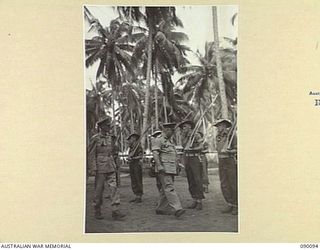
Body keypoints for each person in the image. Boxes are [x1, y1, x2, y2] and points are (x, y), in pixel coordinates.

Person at [88, 116, 126, 220]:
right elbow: (91, 154)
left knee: (114, 188)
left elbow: (114, 151)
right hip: (100, 168)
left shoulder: (111, 138)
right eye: (106, 125)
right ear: (101, 127)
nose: (109, 127)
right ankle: (97, 209)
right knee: (99, 190)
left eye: (109, 125)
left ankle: (115, 210)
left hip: (111, 166)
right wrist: (93, 168)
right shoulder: (95, 138)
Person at [152, 123, 185, 218]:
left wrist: (177, 165)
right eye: (172, 130)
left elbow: (172, 155)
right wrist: (159, 165)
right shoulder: (159, 140)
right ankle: (177, 208)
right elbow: (155, 153)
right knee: (169, 187)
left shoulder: (169, 141)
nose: (173, 133)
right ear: (166, 130)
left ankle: (160, 208)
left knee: (164, 189)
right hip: (164, 168)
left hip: (170, 168)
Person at [214, 118, 238, 215]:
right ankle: (229, 203)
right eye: (218, 126)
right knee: (223, 183)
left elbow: (237, 149)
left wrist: (230, 151)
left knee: (232, 183)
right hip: (221, 160)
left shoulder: (232, 135)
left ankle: (236, 205)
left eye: (219, 125)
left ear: (224, 126)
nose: (218, 128)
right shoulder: (218, 136)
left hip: (229, 160)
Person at [179, 120, 204, 210]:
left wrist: (193, 148)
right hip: (187, 158)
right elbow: (183, 147)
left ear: (190, 127)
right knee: (190, 180)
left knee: (197, 179)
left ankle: (199, 201)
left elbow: (201, 146)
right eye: (183, 127)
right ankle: (194, 199)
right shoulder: (183, 136)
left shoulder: (196, 135)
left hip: (195, 158)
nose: (183, 128)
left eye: (185, 126)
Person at [127, 133, 143, 203]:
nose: (129, 141)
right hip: (132, 164)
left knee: (138, 180)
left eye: (130, 139)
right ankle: (136, 195)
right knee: (133, 180)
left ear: (134, 139)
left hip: (137, 164)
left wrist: (133, 158)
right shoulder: (131, 148)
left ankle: (139, 196)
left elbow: (141, 156)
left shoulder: (138, 146)